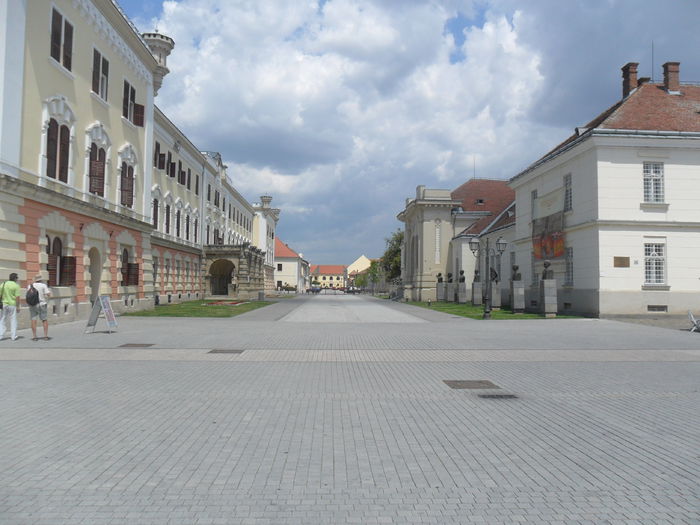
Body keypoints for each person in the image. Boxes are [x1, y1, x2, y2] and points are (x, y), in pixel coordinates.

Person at [28, 273, 52, 341]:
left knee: (33, 320)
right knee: (44, 319)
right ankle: (45, 336)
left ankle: (34, 336)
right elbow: (48, 294)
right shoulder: (43, 285)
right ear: (41, 279)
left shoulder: (30, 286)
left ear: (35, 279)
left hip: (33, 305)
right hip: (42, 304)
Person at [0, 273, 21, 341]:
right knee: (13, 320)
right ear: (15, 278)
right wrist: (18, 306)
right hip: (12, 304)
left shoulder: (3, 284)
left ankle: (1, 335)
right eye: (17, 278)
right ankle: (13, 336)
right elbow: (17, 297)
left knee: (2, 319)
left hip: (4, 304)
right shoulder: (16, 286)